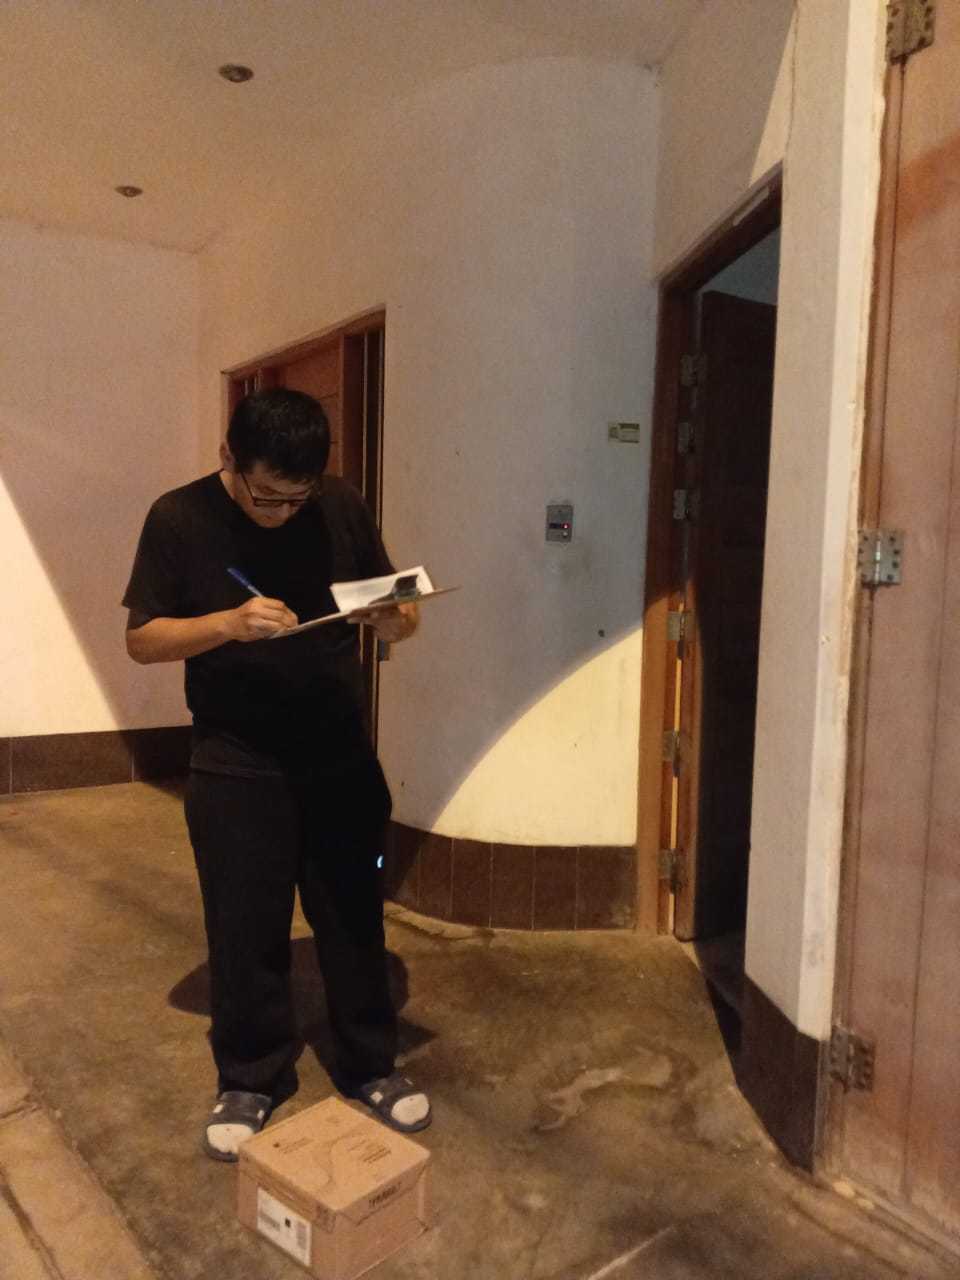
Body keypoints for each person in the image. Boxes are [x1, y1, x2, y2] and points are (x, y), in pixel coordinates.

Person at [122, 387, 430, 1161]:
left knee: (354, 916)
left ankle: (370, 1064)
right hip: (236, 760)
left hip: (339, 755)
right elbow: (143, 640)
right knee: (244, 926)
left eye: (298, 499)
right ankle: (251, 1077)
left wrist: (393, 619)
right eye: (267, 497)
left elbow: (402, 608)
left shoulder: (339, 506)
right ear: (229, 458)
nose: (283, 513)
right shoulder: (178, 517)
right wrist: (227, 624)